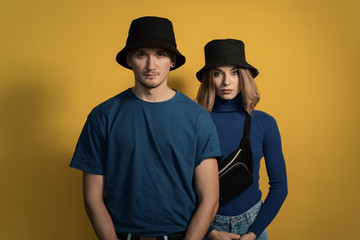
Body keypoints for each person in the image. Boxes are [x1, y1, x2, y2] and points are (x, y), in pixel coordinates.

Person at [70, 16, 222, 240]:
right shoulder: (102, 116)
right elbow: (92, 198)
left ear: (172, 60)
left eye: (160, 54)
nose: (151, 65)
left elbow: (210, 199)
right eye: (142, 55)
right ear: (130, 59)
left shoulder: (197, 117)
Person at [196, 39, 288, 240]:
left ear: (244, 77)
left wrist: (254, 232)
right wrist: (210, 231)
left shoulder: (264, 122)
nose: (226, 82)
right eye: (218, 73)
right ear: (209, 78)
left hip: (254, 223)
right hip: (208, 226)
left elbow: (280, 185)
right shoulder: (195, 122)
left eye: (234, 72)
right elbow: (182, 185)